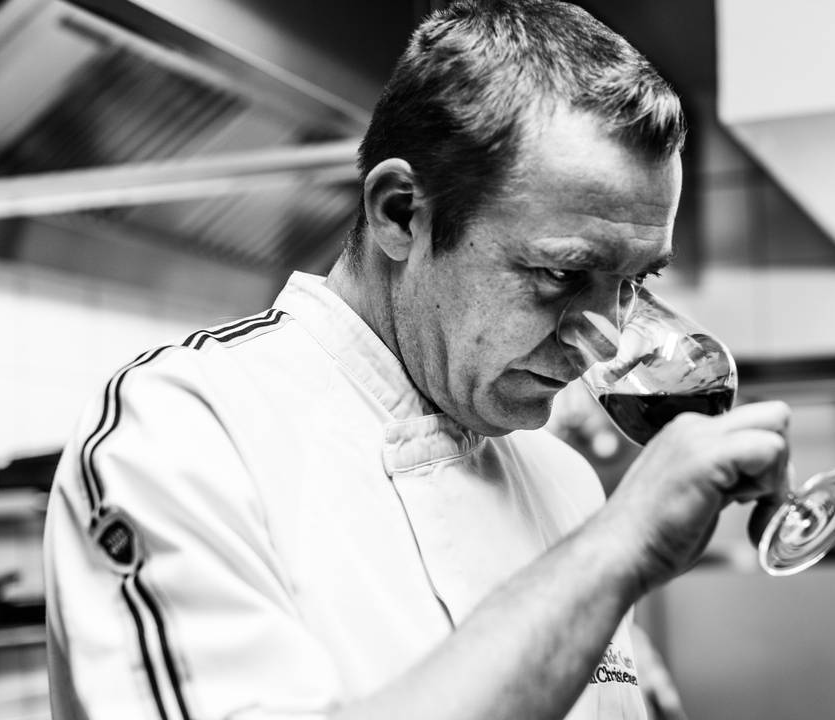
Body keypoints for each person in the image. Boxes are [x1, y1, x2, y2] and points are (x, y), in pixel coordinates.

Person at [42, 2, 791, 718]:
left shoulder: (564, 479)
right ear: (401, 212)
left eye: (635, 283)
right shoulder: (180, 435)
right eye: (561, 274)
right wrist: (615, 550)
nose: (605, 338)